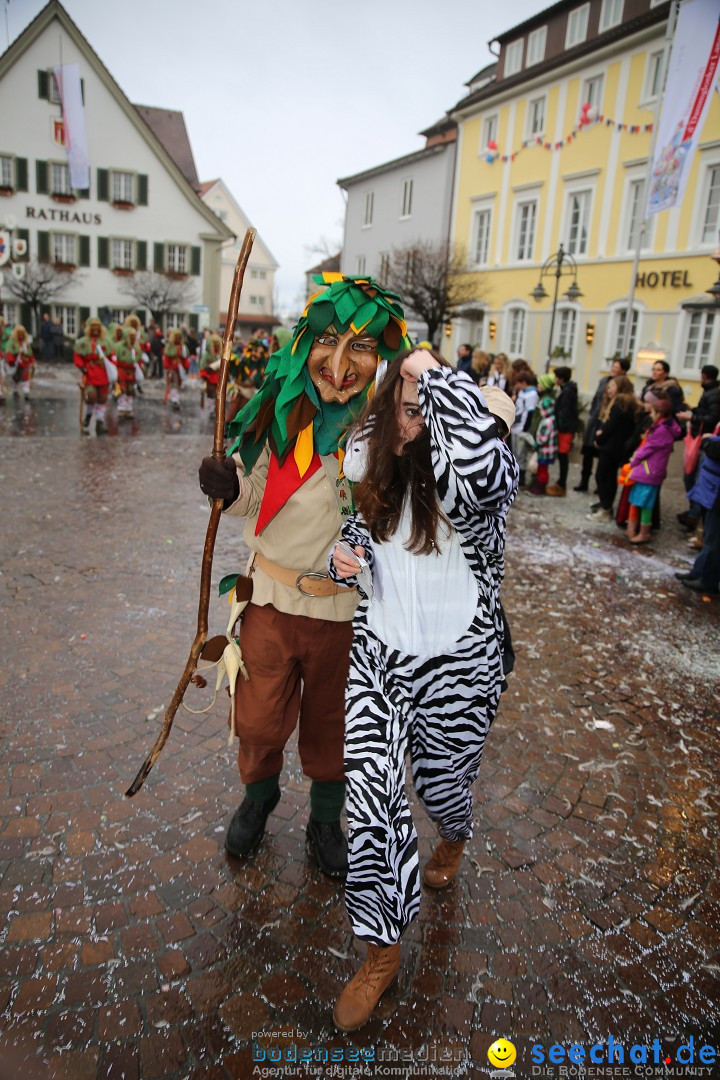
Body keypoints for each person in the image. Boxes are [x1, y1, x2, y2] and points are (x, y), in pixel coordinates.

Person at [327, 349, 518, 1032]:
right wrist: (342, 559)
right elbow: (360, 533)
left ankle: (455, 832)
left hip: (461, 663)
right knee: (371, 793)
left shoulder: (483, 477)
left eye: (427, 414)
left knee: (440, 786)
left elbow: (474, 471)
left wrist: (432, 377)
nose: (413, 427)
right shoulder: (380, 463)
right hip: (381, 654)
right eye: (404, 412)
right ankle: (381, 949)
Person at [197, 274, 410, 876]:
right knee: (259, 718)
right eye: (330, 340)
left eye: (361, 346)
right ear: (306, 339)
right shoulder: (278, 405)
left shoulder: (386, 427)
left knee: (332, 724)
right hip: (268, 599)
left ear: (382, 356)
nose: (341, 364)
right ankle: (258, 800)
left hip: (347, 612)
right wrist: (229, 486)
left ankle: (325, 820)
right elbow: (250, 490)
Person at [625, 389, 681, 544]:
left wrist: (632, 462)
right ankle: (631, 528)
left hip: (650, 471)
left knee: (645, 503)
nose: (650, 414)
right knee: (636, 500)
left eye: (653, 411)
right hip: (647, 470)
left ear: (659, 413)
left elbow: (647, 449)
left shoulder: (661, 430)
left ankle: (643, 533)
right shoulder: (662, 426)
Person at [585, 376, 638, 522]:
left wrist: (599, 438)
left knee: (602, 476)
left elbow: (611, 425)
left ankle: (606, 508)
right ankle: (605, 504)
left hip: (612, 446)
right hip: (616, 446)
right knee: (609, 476)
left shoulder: (620, 403)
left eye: (612, 386)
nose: (609, 389)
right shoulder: (625, 402)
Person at [575, 357, 631, 492]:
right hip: (595, 420)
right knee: (588, 452)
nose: (613, 369)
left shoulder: (624, 386)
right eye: (613, 366)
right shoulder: (604, 381)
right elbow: (596, 399)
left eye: (616, 367)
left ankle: (601, 487)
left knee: (603, 458)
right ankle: (584, 481)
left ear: (623, 370)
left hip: (607, 423)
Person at [675, 432, 720, 595]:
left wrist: (708, 441)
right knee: (709, 534)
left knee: (713, 540)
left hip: (717, 494)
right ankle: (698, 572)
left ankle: (708, 580)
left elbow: (715, 449)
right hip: (712, 490)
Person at [74, 317, 113, 435]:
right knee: (91, 396)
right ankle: (88, 415)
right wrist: (82, 367)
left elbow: (112, 356)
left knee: (102, 397)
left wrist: (112, 367)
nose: (95, 329)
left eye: (97, 326)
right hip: (90, 373)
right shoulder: (83, 342)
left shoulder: (106, 342)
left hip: (103, 373)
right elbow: (77, 356)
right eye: (93, 326)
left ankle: (99, 422)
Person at [546, 366, 578, 496]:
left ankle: (562, 484)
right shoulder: (567, 389)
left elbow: (564, 412)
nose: (554, 379)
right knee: (562, 456)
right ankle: (560, 482)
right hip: (566, 428)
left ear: (561, 378)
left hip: (565, 429)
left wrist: (559, 426)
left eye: (556, 377)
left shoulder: (567, 392)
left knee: (563, 456)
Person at [527, 373, 557, 496]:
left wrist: (536, 443)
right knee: (540, 468)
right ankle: (537, 485)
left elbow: (543, 438)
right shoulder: (549, 419)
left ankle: (539, 487)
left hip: (545, 450)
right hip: (544, 450)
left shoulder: (547, 422)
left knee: (542, 470)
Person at [510, 369, 538, 488]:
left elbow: (530, 412)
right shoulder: (522, 392)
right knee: (515, 452)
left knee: (521, 453)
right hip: (516, 426)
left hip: (522, 428)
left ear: (524, 382)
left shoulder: (532, 394)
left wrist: (525, 429)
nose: (517, 386)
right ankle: (516, 475)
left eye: (518, 383)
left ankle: (521, 478)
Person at [163, 329, 189, 411]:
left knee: (178, 384)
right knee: (175, 383)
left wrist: (186, 366)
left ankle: (175, 398)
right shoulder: (169, 346)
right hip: (172, 368)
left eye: (179, 337)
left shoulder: (183, 347)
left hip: (180, 369)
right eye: (176, 337)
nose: (177, 339)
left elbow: (185, 358)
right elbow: (167, 357)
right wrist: (167, 367)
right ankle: (175, 399)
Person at [5, 325, 35, 399]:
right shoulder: (12, 342)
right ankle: (15, 390)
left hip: (25, 362)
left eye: (22, 333)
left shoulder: (25, 343)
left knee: (26, 376)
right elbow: (9, 352)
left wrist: (32, 360)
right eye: (19, 333)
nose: (21, 335)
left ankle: (26, 391)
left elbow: (30, 352)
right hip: (16, 362)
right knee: (16, 377)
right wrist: (11, 361)